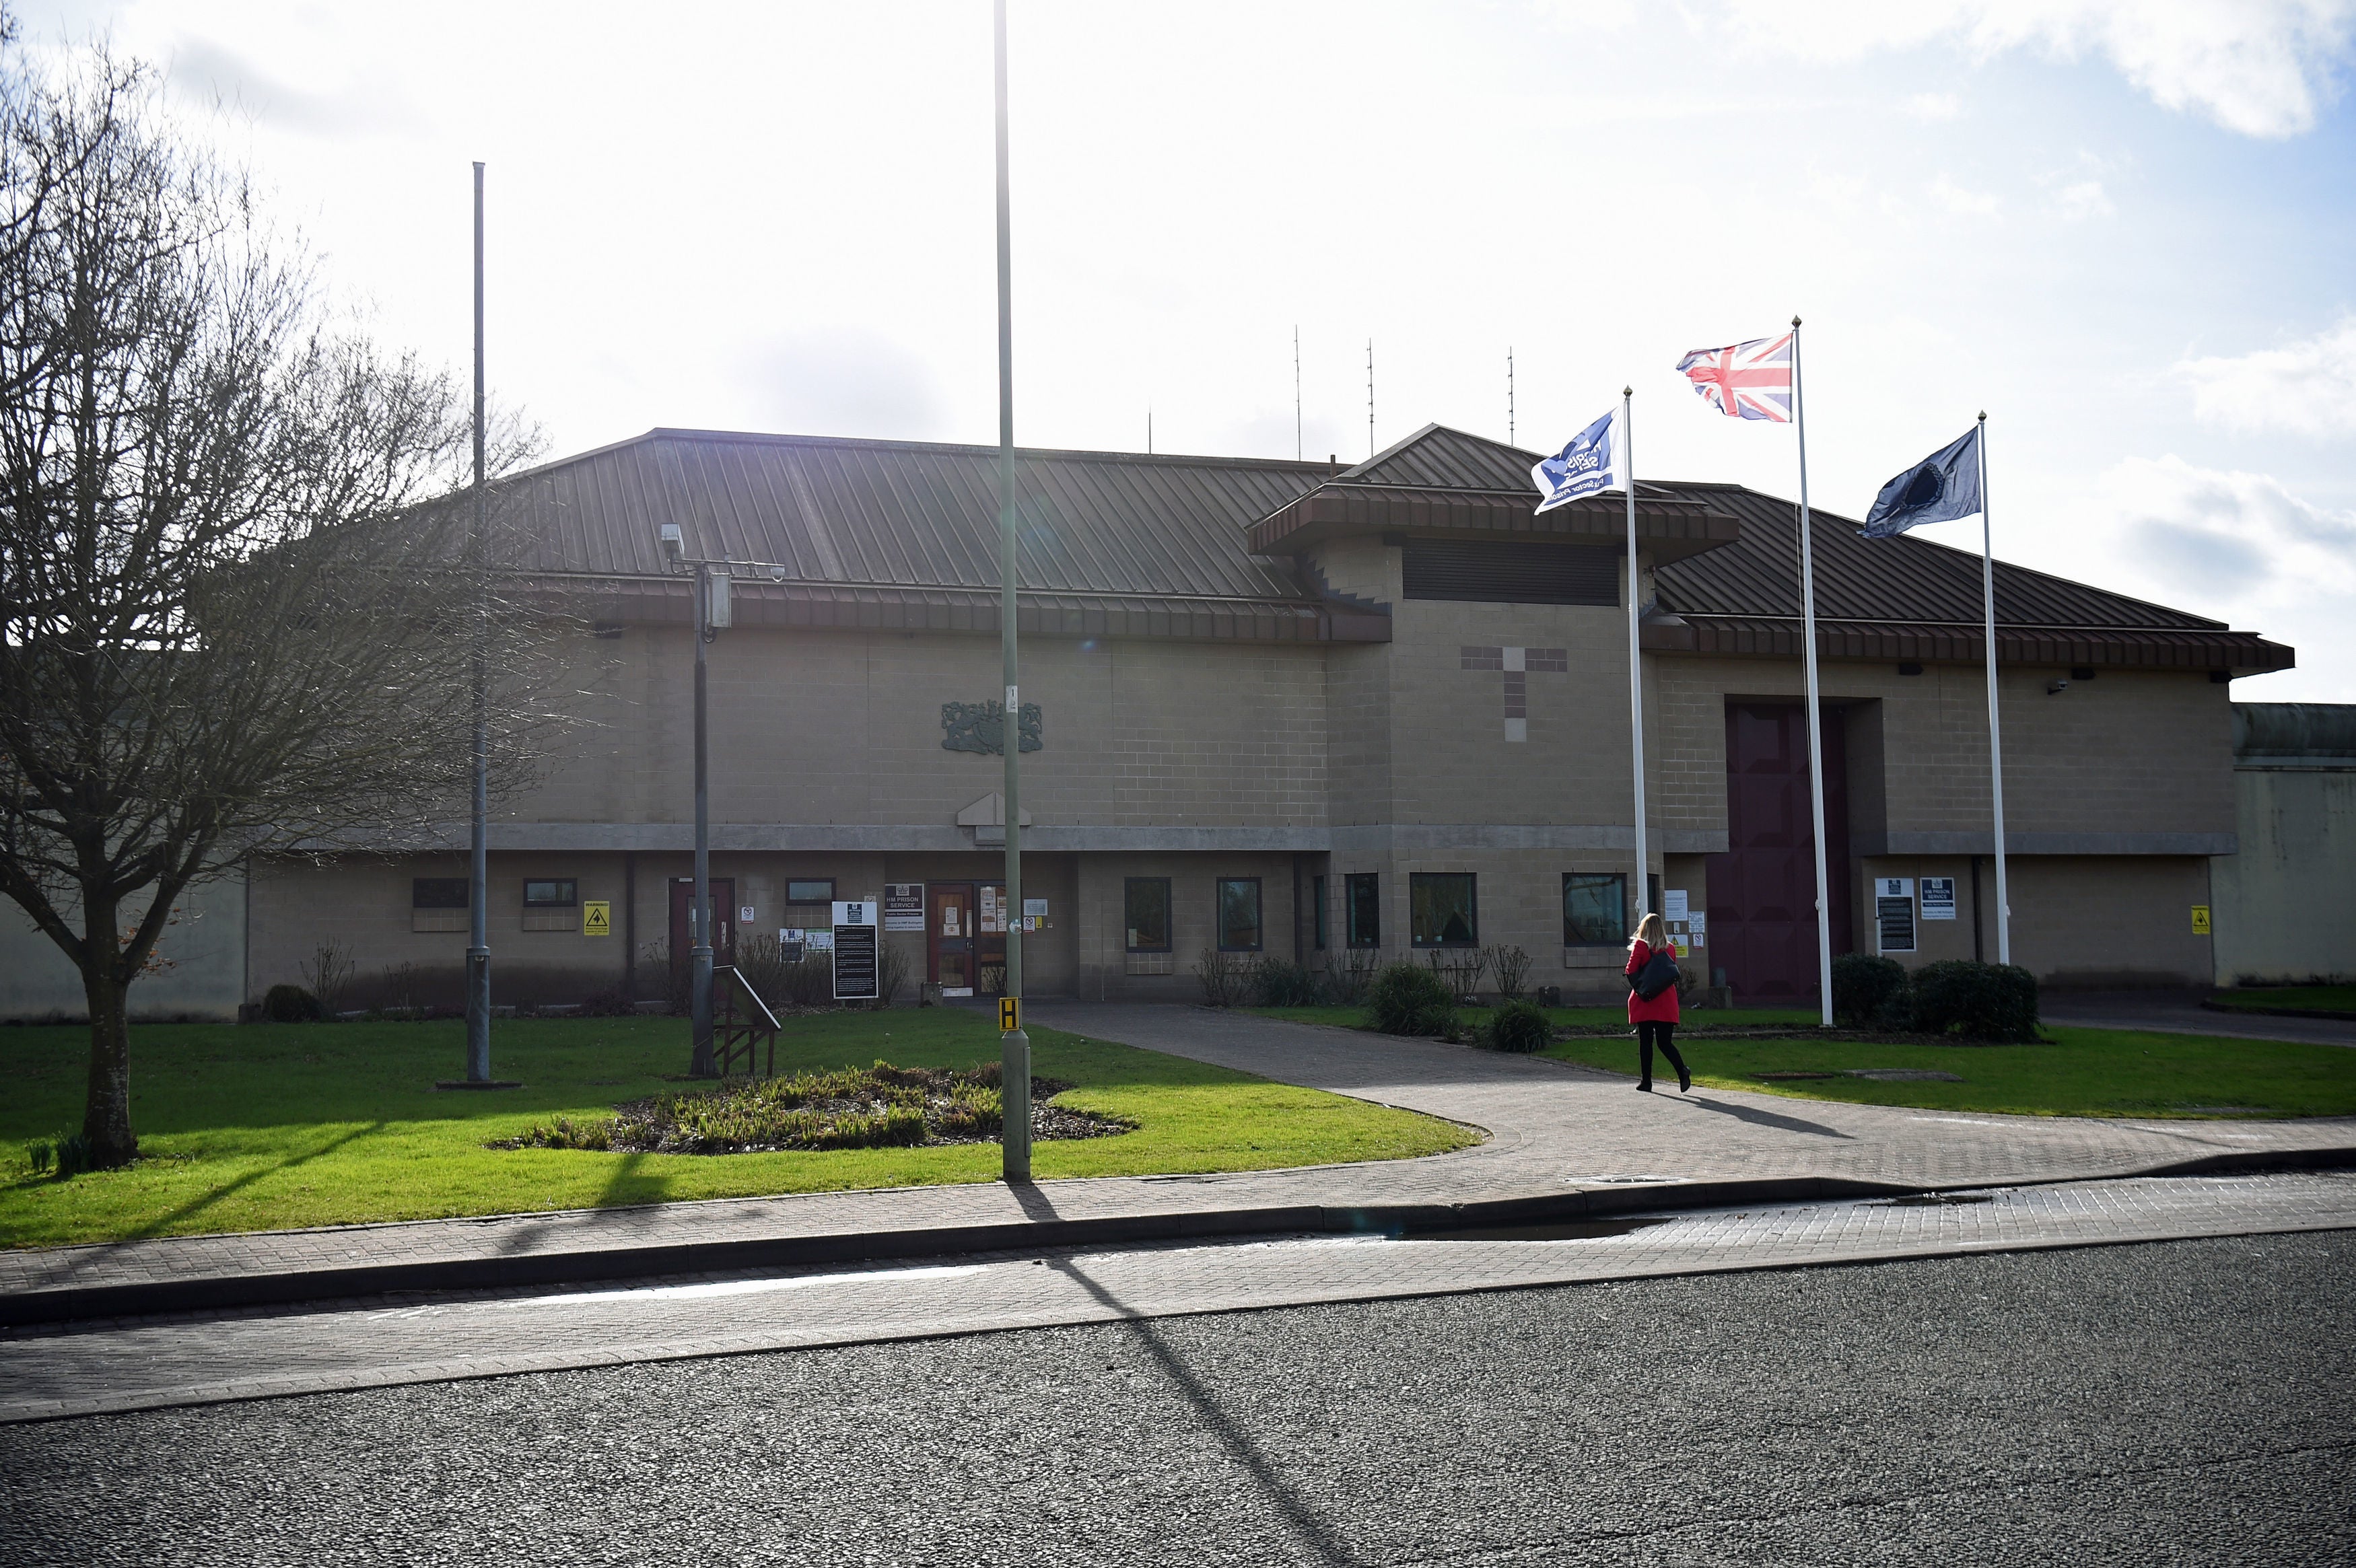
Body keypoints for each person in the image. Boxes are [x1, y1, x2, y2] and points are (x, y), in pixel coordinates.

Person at [1624, 911, 1688, 1093]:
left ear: (1644, 929)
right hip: (1666, 1001)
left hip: (1646, 1000)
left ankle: (1647, 1082)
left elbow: (1630, 970)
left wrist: (1639, 989)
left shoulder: (1641, 946)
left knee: (1646, 1042)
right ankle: (1682, 1071)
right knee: (1665, 1042)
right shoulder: (1670, 948)